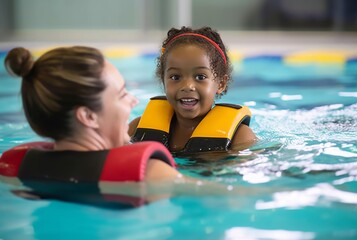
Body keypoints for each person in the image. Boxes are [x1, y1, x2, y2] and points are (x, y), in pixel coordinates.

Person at [1, 46, 262, 207]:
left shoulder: (13, 166)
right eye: (122, 93)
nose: (134, 100)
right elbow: (236, 197)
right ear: (88, 117)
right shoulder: (148, 173)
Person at [129, 26, 257, 157]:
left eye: (200, 77)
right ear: (163, 81)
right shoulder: (138, 128)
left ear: (221, 83)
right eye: (175, 77)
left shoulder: (240, 137)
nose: (188, 86)